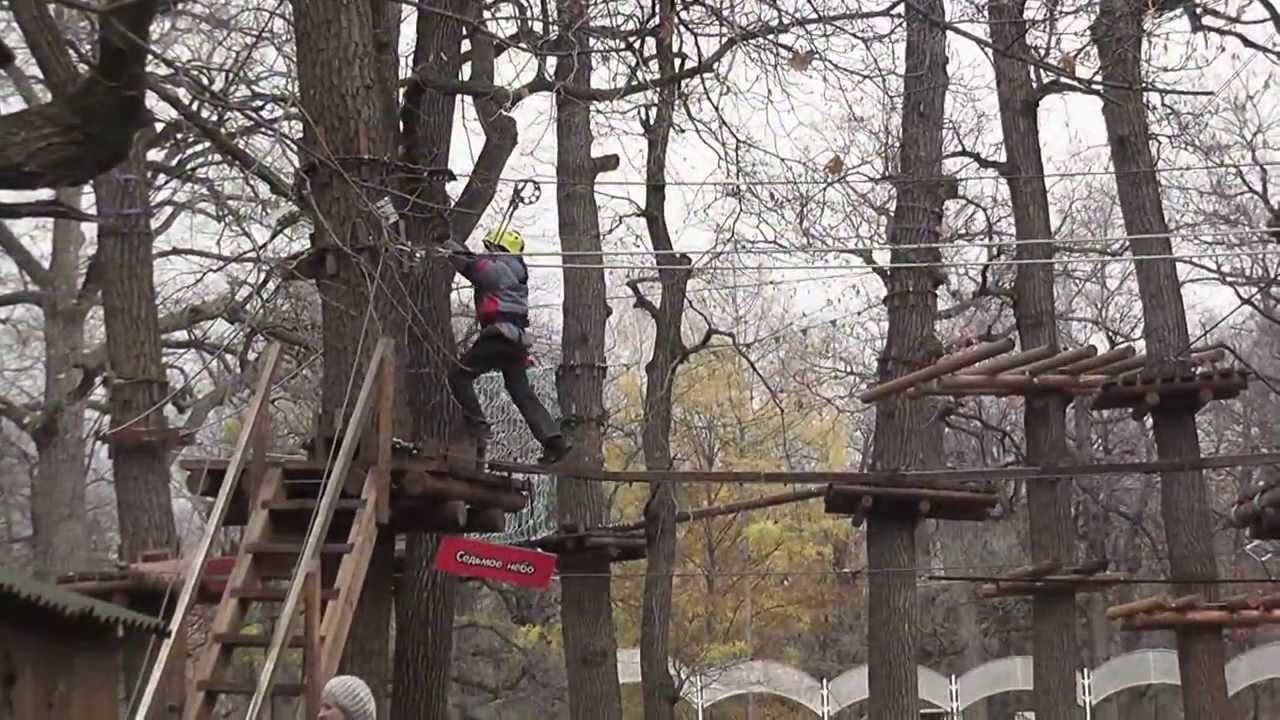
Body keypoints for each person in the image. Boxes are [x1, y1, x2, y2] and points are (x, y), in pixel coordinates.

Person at [438, 227, 572, 465]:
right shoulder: (517, 272)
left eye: (489, 247)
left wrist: (446, 242)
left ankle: (478, 425)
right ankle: (554, 441)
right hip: (515, 341)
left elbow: (470, 265)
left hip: (498, 336)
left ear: (497, 248)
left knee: (458, 376)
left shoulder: (499, 269)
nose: (486, 251)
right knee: (520, 391)